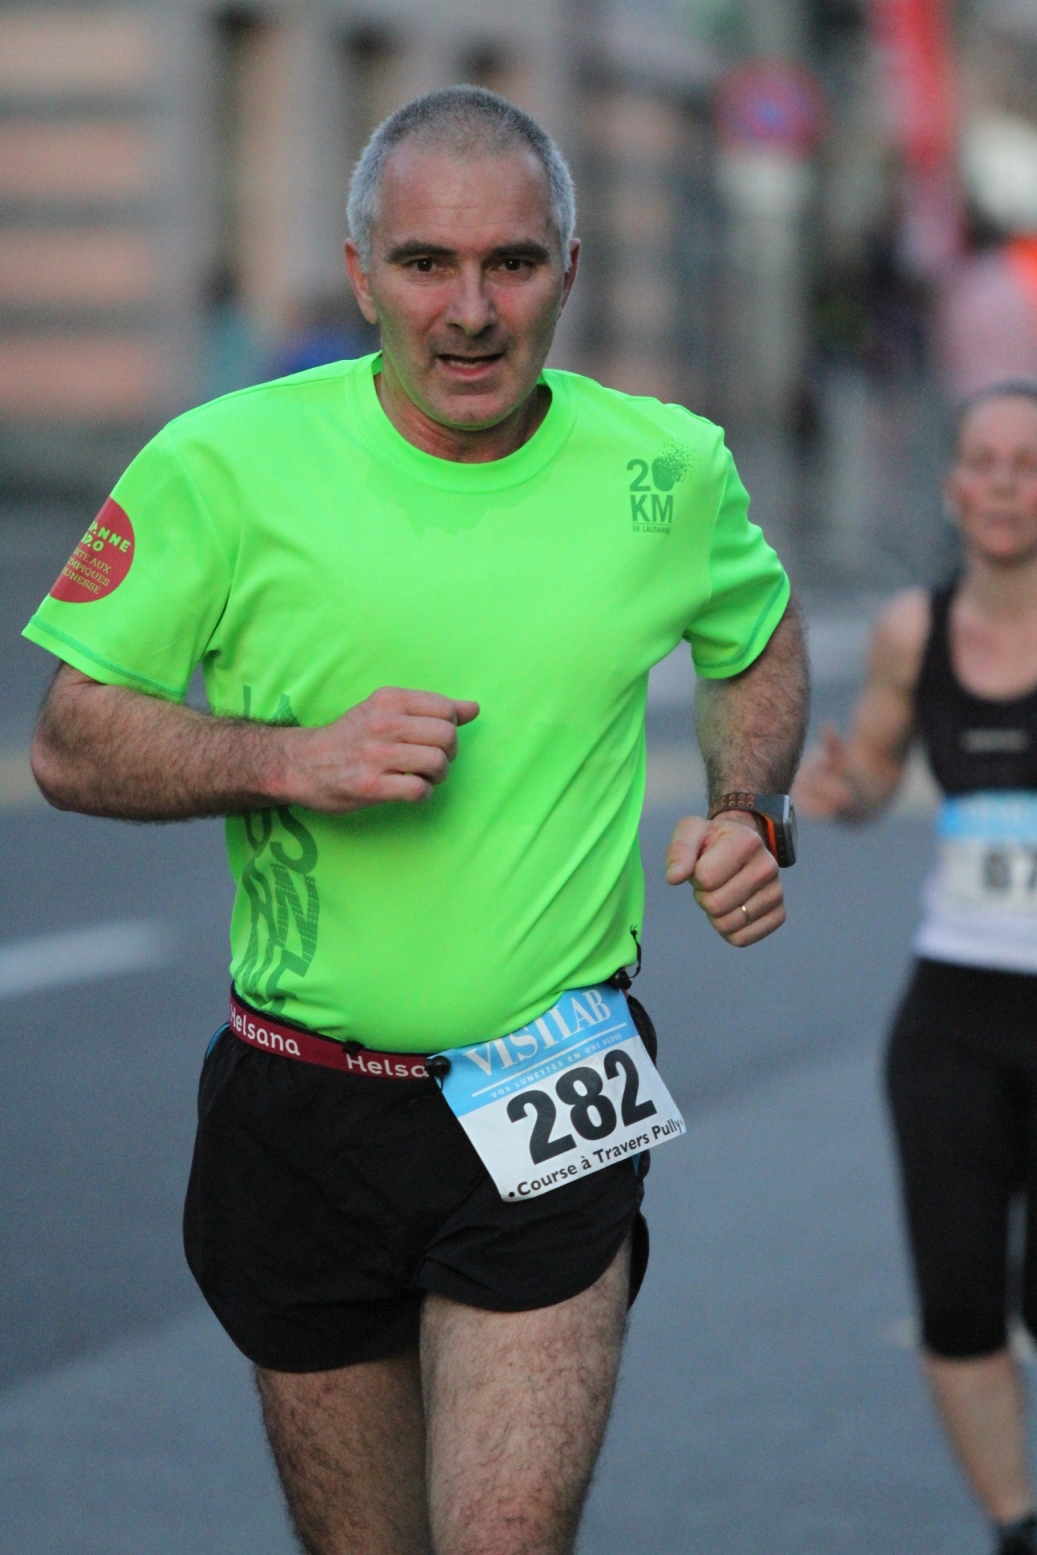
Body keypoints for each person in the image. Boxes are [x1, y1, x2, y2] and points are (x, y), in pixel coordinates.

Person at [25, 86, 807, 1555]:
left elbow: (754, 637)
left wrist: (749, 808)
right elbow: (70, 740)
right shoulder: (224, 462)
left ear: (568, 270)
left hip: (552, 1076)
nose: (469, 309)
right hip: (299, 1094)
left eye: (511, 261)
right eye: (425, 263)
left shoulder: (666, 468)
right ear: (360, 273)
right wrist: (291, 757)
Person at [796, 383, 1037, 1555]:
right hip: (952, 1014)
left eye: (1025, 463)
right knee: (956, 1299)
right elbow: (876, 773)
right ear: (950, 486)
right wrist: (844, 790)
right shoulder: (912, 630)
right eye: (981, 461)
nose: (1001, 483)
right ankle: (1012, 1524)